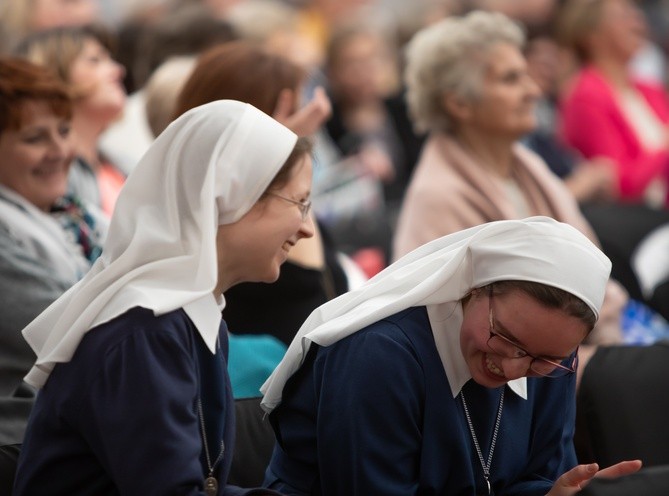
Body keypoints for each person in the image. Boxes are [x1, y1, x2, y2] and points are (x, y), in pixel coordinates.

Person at [13, 100, 314, 495]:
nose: (307, 228)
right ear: (232, 195)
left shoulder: (184, 313)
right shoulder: (143, 331)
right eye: (300, 203)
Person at [260, 216, 642, 495]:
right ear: (474, 288)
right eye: (504, 338)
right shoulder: (378, 356)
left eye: (542, 359)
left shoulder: (552, 357)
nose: (512, 366)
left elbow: (541, 475)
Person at [392, 10, 627, 347]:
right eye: (511, 79)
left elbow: (595, 274)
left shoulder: (529, 166)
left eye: (527, 76)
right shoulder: (437, 196)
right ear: (459, 104)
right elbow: (460, 335)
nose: (533, 90)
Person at [173, 41, 349, 348]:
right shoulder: (224, 220)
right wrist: (278, 155)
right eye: (295, 110)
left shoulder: (283, 198)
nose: (310, 121)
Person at [0, 56, 107, 445]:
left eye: (64, 131)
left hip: (86, 420)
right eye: (35, 138)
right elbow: (67, 330)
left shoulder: (79, 213)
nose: (60, 150)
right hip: (24, 437)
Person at [557, 0, 669, 209]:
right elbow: (619, 184)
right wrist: (664, 145)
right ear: (592, 36)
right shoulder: (585, 95)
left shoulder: (650, 90)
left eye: (636, 14)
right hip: (630, 221)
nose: (637, 21)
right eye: (623, 16)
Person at [14, 24, 128, 216]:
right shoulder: (51, 174)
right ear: (53, 75)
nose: (118, 70)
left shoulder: (119, 163)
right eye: (95, 60)